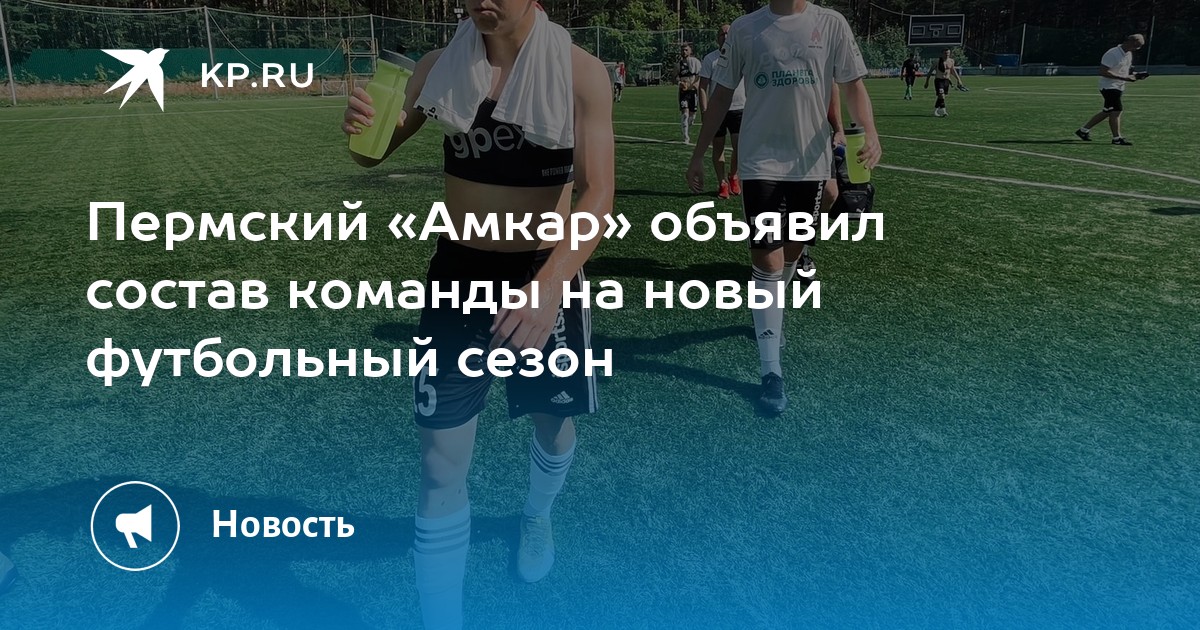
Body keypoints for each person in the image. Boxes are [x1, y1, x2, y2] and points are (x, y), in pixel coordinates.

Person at [341, 0, 615, 626]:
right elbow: (370, 154)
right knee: (439, 465)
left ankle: (536, 515)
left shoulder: (580, 72)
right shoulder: (439, 66)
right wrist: (361, 127)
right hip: (457, 276)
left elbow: (599, 192)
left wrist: (548, 288)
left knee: (553, 424)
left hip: (544, 275)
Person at [685, 0, 881, 416]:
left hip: (810, 162)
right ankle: (770, 370)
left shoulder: (831, 24)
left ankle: (773, 311)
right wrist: (699, 153)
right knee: (767, 258)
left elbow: (850, 85)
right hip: (760, 162)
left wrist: (870, 132)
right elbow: (721, 95)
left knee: (793, 249)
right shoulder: (745, 29)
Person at [699, 25, 746, 199]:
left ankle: (733, 175)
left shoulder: (742, 56)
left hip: (739, 108)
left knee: (739, 147)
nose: (725, 36)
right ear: (717, 38)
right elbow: (702, 87)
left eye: (728, 33)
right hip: (717, 111)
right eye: (722, 34)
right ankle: (722, 183)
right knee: (718, 148)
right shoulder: (710, 59)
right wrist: (705, 110)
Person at [1074, 34, 1145, 146]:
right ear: (1130, 41)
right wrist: (1125, 78)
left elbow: (1124, 71)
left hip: (1119, 86)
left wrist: (1136, 75)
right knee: (1116, 110)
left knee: (1107, 111)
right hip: (1109, 86)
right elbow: (1103, 71)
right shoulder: (1112, 53)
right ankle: (1117, 138)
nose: (1137, 49)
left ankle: (1083, 130)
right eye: (1136, 46)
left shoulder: (1128, 54)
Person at [923, 48, 964, 117]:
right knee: (941, 95)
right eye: (945, 53)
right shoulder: (937, 61)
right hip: (939, 80)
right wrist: (927, 82)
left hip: (946, 81)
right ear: (942, 54)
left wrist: (958, 80)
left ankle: (935, 111)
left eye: (948, 53)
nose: (947, 54)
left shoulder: (951, 61)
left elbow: (953, 71)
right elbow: (930, 72)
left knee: (942, 97)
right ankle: (944, 111)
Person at [677, 43, 703, 144]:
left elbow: (700, 74)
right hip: (683, 93)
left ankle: (686, 127)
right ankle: (686, 137)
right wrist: (679, 83)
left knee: (692, 117)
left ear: (690, 51)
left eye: (686, 50)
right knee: (685, 114)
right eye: (682, 50)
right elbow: (674, 77)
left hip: (693, 92)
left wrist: (696, 83)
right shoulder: (679, 64)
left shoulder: (696, 62)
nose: (684, 52)